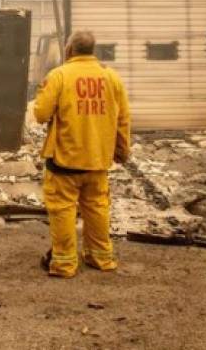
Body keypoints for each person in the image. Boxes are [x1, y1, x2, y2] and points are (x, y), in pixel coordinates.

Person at [33, 30, 131, 278]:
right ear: (92, 50)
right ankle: (100, 258)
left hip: (65, 159)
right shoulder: (111, 77)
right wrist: (122, 149)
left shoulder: (59, 76)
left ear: (69, 50)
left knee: (63, 209)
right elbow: (123, 119)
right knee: (97, 207)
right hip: (98, 160)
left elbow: (40, 114)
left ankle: (64, 263)